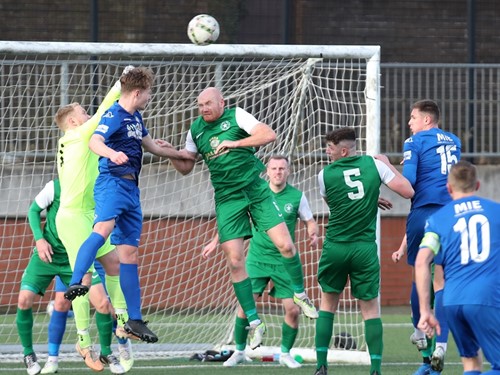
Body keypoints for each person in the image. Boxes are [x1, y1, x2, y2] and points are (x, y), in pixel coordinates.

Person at [166, 87, 318, 349]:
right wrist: (169, 152)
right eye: (200, 104)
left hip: (255, 190)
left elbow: (268, 134)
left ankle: (301, 294)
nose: (203, 109)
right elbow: (186, 166)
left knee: (286, 245)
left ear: (222, 103)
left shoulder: (237, 117)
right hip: (227, 199)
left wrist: (235, 143)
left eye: (208, 103)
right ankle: (254, 322)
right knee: (236, 261)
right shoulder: (195, 131)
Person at [62, 66, 195, 343]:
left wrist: (182, 153)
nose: (149, 98)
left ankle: (134, 319)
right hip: (112, 183)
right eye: (148, 93)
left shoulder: (136, 116)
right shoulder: (113, 115)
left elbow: (152, 146)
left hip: (132, 190)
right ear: (137, 92)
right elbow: (95, 142)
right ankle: (77, 281)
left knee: (129, 255)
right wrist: (113, 154)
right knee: (101, 230)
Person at [314, 127, 414, 375]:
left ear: (343, 150)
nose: (327, 152)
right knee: (370, 309)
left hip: (335, 247)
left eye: (330, 148)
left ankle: (321, 366)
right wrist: (388, 165)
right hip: (364, 250)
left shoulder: (323, 175)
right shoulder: (374, 166)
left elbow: (334, 202)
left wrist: (367, 198)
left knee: (327, 305)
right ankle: (376, 370)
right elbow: (408, 191)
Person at [203, 155, 319, 368]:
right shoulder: (255, 193)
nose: (278, 172)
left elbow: (310, 220)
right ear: (266, 171)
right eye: (274, 168)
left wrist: (313, 232)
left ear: (288, 171)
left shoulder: (297, 197)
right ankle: (239, 351)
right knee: (243, 308)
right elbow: (233, 220)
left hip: (283, 262)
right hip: (257, 259)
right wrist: (214, 241)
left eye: (282, 168)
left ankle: (285, 353)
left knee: (292, 311)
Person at [16, 179, 127, 375]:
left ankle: (107, 352)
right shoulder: (55, 187)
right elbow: (33, 210)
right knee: (24, 299)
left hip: (76, 256)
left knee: (102, 303)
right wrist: (39, 240)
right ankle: (29, 354)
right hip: (48, 255)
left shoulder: (97, 188)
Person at [416, 160, 500, 374]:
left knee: (471, 363)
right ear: (478, 186)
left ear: (449, 188)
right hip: (486, 298)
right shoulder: (495, 212)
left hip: (452, 300)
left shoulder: (437, 220)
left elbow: (421, 261)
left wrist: (425, 310)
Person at [396, 99, 461, 375]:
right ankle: (441, 347)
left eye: (412, 117)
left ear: (426, 120)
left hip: (423, 212)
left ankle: (420, 336)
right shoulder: (454, 140)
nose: (409, 122)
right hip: (450, 215)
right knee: (441, 280)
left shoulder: (415, 142)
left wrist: (386, 167)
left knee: (419, 274)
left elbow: (408, 184)